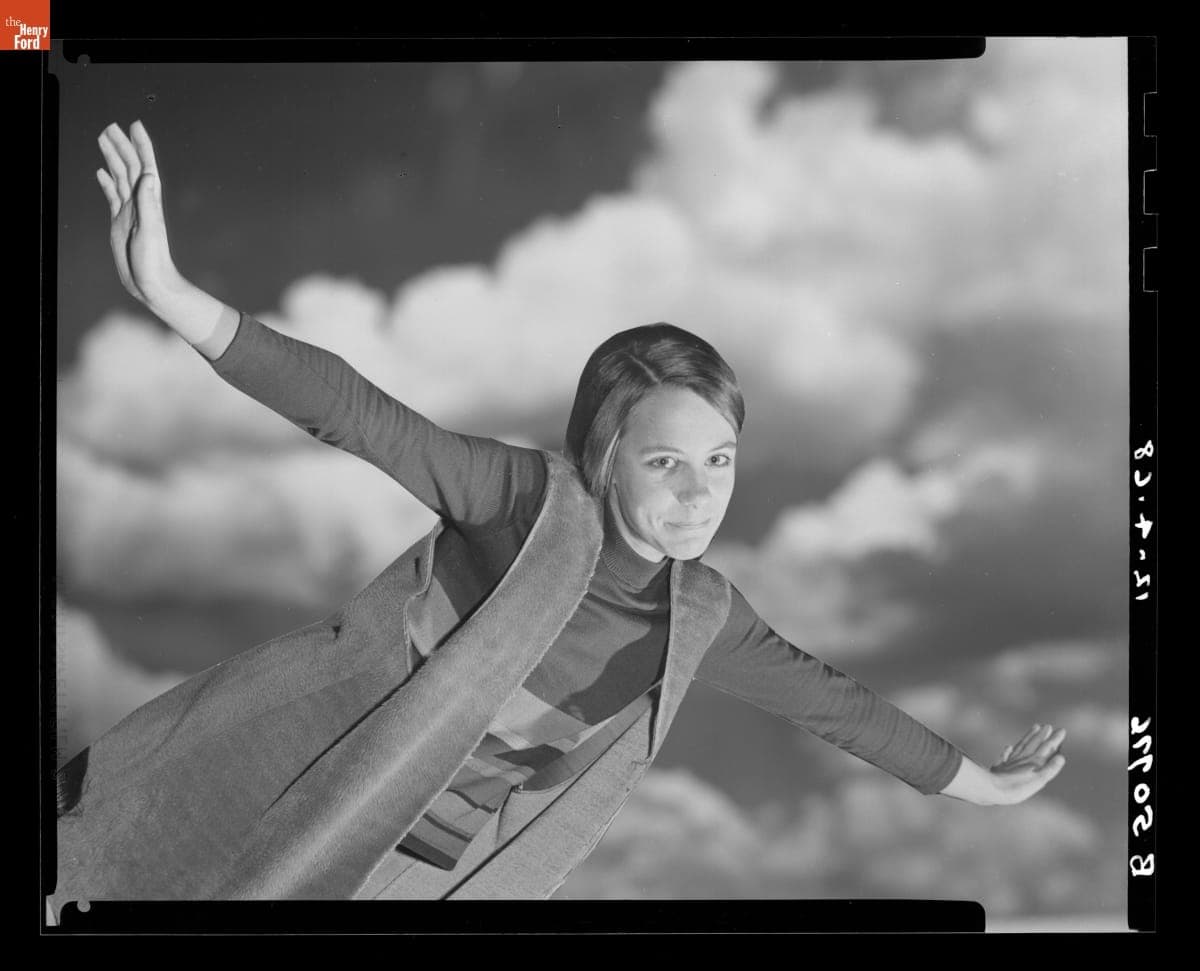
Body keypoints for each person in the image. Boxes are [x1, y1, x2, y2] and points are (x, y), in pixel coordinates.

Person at [51, 121, 1067, 913]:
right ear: (604, 452)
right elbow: (359, 415)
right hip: (289, 783)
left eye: (719, 460)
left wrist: (983, 783)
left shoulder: (702, 615)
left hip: (410, 872)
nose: (699, 489)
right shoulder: (527, 503)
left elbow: (838, 706)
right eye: (666, 459)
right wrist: (175, 297)